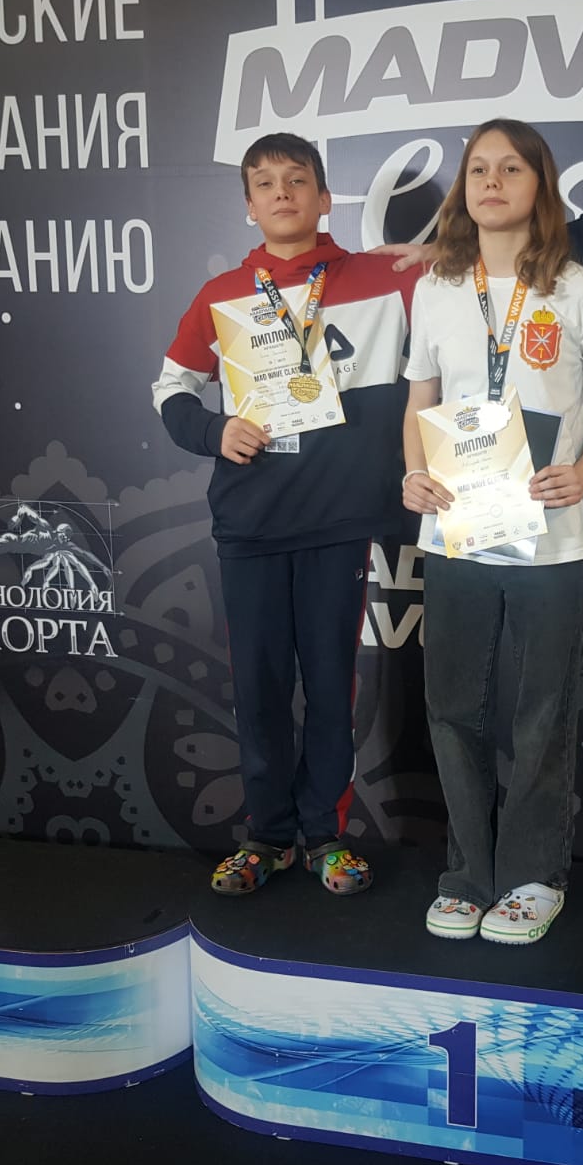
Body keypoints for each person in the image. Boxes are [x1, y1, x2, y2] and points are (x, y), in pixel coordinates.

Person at [152, 133, 420, 897]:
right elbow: (170, 389)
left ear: (325, 198)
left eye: (297, 180)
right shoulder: (222, 295)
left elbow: (501, 271)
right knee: (261, 689)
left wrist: (441, 255)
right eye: (264, 183)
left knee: (331, 685)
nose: (281, 193)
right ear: (248, 205)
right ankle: (267, 837)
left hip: (338, 520)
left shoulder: (386, 279)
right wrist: (214, 430)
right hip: (252, 521)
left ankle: (324, 837)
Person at [402, 119, 583, 945]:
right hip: (456, 533)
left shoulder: (579, 290)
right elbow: (420, 400)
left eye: (510, 169)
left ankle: (535, 877)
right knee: (452, 708)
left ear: (540, 186)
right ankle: (468, 874)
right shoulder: (436, 288)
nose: (492, 182)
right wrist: (412, 474)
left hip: (551, 540)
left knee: (540, 713)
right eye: (478, 169)